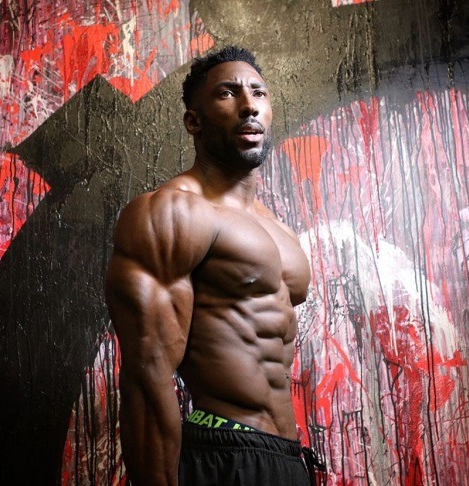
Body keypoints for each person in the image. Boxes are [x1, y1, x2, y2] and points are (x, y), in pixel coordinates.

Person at [105, 46, 317, 485]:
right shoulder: (170, 213)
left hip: (287, 457)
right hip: (223, 451)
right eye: (227, 93)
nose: (249, 105)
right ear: (193, 121)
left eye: (259, 92)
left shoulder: (280, 230)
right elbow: (147, 375)